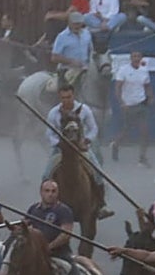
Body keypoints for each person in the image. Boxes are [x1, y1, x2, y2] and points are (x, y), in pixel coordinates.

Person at [44, 83, 114, 220]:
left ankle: (101, 204)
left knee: (98, 173)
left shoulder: (85, 110)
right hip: (61, 151)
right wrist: (58, 143)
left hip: (81, 150)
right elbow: (49, 133)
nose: (66, 100)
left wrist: (86, 141)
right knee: (46, 175)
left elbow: (93, 129)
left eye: (68, 97)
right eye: (63, 98)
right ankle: (45, 205)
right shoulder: (53, 113)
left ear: (73, 95)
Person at [112, 50, 152, 167]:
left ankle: (142, 157)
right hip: (128, 105)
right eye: (134, 56)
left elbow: (147, 85)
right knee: (126, 132)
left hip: (141, 104)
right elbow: (118, 87)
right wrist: (121, 103)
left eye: (138, 56)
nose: (136, 58)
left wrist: (150, 96)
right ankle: (116, 144)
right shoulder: (123, 70)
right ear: (130, 58)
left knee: (145, 131)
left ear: (141, 58)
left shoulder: (144, 70)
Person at [50, 11, 93, 87]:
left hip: (86, 69)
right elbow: (54, 57)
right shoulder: (62, 37)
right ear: (69, 23)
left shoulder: (86, 34)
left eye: (79, 23)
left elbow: (90, 50)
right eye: (74, 23)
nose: (77, 26)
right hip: (67, 70)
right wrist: (71, 61)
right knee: (65, 91)